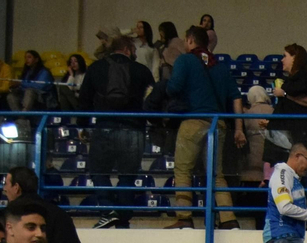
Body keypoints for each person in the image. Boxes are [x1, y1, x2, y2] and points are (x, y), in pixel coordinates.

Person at [165, 24, 244, 230]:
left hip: (193, 120)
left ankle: (184, 217)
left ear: (190, 40)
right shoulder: (219, 65)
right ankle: (229, 219)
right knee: (216, 175)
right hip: (218, 124)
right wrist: (239, 128)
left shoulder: (185, 60)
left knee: (183, 170)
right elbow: (236, 98)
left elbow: (174, 87)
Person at [81, 34, 157, 230]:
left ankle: (108, 210)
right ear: (127, 49)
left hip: (104, 126)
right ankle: (122, 219)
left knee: (98, 171)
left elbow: (84, 99)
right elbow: (151, 100)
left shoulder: (96, 68)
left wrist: (82, 125)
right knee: (127, 175)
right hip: (133, 129)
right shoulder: (141, 70)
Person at [268, 44, 307, 166]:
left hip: (300, 135)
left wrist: (284, 94)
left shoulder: (304, 77)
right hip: (290, 136)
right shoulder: (292, 78)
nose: (282, 60)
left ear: (294, 58)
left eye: (285, 56)